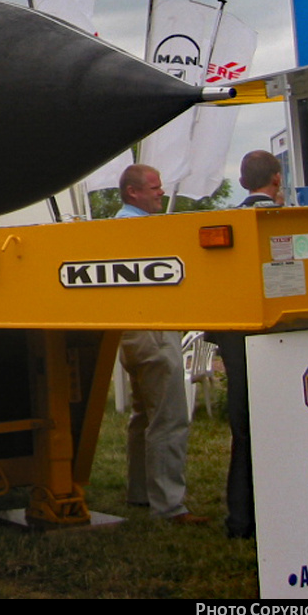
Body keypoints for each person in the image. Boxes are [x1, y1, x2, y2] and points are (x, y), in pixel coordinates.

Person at [115, 164, 207, 525]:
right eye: (154, 187)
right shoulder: (141, 229)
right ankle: (169, 506)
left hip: (131, 333)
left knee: (143, 415)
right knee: (168, 418)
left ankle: (140, 492)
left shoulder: (117, 226)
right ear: (133, 192)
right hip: (154, 330)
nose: (161, 192)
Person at [206, 149, 283, 540]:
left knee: (244, 435)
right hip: (280, 345)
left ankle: (241, 521)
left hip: (237, 349)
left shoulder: (226, 224)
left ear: (241, 183)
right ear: (277, 179)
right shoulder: (281, 222)